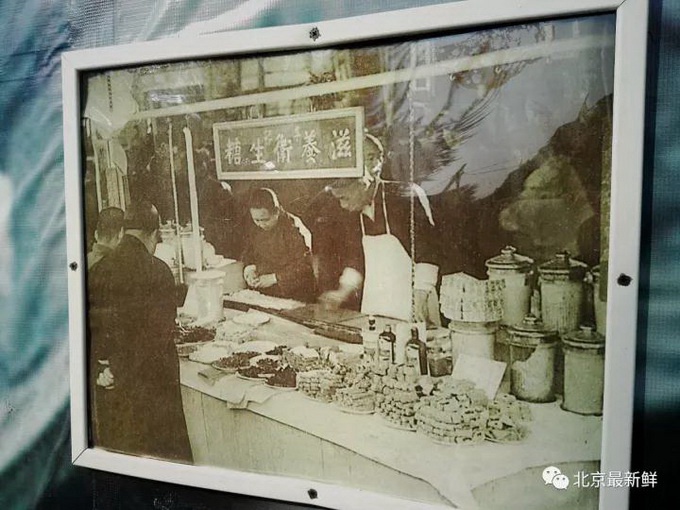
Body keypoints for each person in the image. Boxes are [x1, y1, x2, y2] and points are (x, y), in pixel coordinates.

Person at [87, 200, 192, 463]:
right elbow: (156, 339)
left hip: (111, 391)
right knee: (164, 464)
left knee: (122, 465)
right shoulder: (158, 271)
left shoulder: (97, 271)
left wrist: (102, 370)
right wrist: (121, 368)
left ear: (123, 231)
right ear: (154, 233)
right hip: (152, 393)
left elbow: (90, 330)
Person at [316, 134, 442, 326]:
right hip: (376, 303)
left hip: (414, 299)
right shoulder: (354, 214)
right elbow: (356, 259)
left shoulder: (404, 196)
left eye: (344, 198)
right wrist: (342, 292)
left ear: (363, 184)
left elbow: (429, 253)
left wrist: (420, 295)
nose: (342, 205)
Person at [241, 188, 316, 303]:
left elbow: (305, 265)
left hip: (296, 292)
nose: (261, 224)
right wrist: (250, 269)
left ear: (277, 211)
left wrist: (275, 278)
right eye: (256, 220)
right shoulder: (256, 227)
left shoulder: (293, 228)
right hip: (266, 289)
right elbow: (248, 252)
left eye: (265, 220)